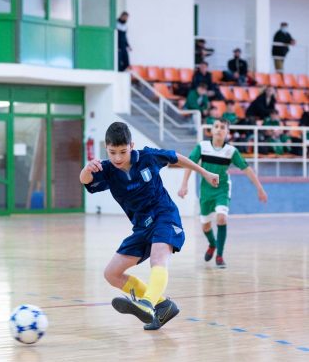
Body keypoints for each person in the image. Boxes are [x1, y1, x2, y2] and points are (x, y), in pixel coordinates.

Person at [80, 121, 219, 330]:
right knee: (111, 274)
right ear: (106, 149)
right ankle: (163, 306)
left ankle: (147, 304)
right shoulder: (108, 170)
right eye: (112, 152)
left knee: (158, 258)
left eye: (123, 152)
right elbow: (86, 182)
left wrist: (205, 174)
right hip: (141, 227)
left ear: (131, 146)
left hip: (164, 215)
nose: (117, 158)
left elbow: (176, 158)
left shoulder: (147, 157)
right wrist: (86, 169)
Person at [178, 119, 268, 268]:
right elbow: (189, 163)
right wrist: (184, 184)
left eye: (222, 127)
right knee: (205, 226)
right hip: (206, 191)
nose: (219, 129)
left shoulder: (231, 151)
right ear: (211, 130)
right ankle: (212, 244)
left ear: (227, 132)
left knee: (221, 218)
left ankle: (219, 255)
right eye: (216, 127)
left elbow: (246, 169)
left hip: (222, 189)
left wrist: (260, 188)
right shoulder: (202, 147)